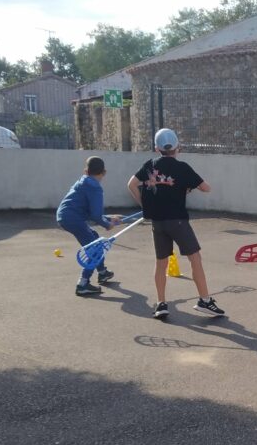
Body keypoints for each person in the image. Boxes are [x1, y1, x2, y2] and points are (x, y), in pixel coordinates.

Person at [126, 127, 225, 319]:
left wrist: (145, 205)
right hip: (178, 221)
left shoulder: (149, 165)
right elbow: (206, 188)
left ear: (157, 148)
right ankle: (205, 301)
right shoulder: (182, 168)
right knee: (195, 258)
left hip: (158, 222)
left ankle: (161, 304)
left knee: (161, 263)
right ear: (177, 147)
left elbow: (131, 184)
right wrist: (188, 187)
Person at [56, 155, 122, 296]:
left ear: (86, 171)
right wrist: (107, 224)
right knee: (95, 248)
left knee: (95, 238)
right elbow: (96, 215)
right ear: (104, 172)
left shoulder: (84, 181)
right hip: (73, 218)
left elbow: (91, 212)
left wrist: (109, 218)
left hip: (65, 215)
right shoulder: (95, 187)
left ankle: (102, 272)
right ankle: (83, 284)